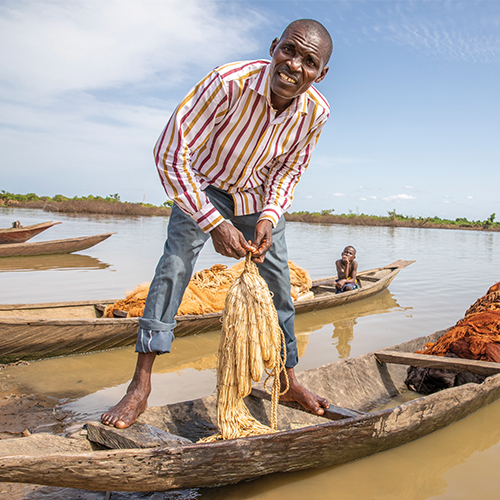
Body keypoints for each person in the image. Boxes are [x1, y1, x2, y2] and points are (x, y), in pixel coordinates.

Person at [101, 19, 333, 429]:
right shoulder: (228, 83)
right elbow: (170, 153)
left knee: (279, 283)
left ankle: (287, 379)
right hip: (204, 188)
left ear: (321, 74)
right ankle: (140, 385)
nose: (295, 65)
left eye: (309, 61)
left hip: (257, 199)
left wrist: (268, 216)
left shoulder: (316, 112)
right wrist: (212, 222)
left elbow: (287, 172)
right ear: (274, 46)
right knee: (173, 267)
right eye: (289, 51)